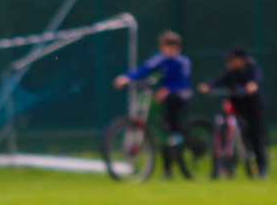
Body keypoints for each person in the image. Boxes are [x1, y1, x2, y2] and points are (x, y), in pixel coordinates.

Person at [114, 30, 192, 179]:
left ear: (178, 48)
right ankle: (167, 171)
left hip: (181, 96)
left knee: (171, 107)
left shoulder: (183, 62)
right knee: (163, 132)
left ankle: (176, 133)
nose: (169, 50)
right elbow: (144, 69)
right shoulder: (160, 60)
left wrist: (168, 90)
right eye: (166, 47)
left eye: (172, 47)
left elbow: (183, 82)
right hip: (164, 97)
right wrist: (126, 78)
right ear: (162, 48)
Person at [197, 44, 268, 179]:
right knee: (223, 128)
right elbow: (218, 80)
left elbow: (256, 79)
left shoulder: (252, 69)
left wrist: (252, 85)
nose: (230, 63)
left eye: (233, 60)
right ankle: (221, 168)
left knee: (255, 137)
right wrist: (207, 86)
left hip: (252, 107)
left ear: (242, 59)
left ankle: (262, 168)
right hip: (236, 106)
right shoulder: (230, 72)